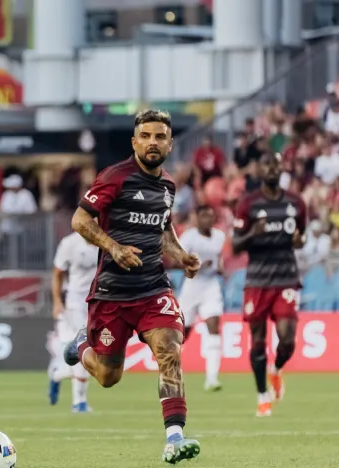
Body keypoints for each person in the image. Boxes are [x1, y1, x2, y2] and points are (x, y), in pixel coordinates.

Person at [63, 109, 202, 464]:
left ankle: (174, 438)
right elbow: (80, 219)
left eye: (160, 137)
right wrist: (113, 247)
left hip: (153, 288)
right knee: (109, 377)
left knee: (170, 350)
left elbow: (163, 230)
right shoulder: (115, 177)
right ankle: (82, 344)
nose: (152, 142)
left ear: (170, 144)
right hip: (112, 292)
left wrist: (182, 255)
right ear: (134, 142)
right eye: (146, 136)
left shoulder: (168, 186)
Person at [232, 152, 306, 417]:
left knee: (287, 341)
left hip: (286, 277)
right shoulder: (248, 204)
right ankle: (262, 395)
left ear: (282, 168)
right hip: (257, 281)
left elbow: (301, 237)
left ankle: (277, 369)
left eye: (276, 164)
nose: (272, 169)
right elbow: (236, 244)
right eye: (267, 164)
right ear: (259, 169)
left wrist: (299, 242)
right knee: (258, 342)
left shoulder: (296, 203)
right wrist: (254, 232)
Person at [47, 231, 98, 411]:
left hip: (99, 303)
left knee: (99, 354)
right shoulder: (69, 243)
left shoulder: (106, 240)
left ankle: (58, 374)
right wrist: (57, 301)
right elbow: (57, 273)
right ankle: (79, 402)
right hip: (75, 303)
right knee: (86, 346)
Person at [177, 205, 226, 392]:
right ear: (197, 217)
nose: (208, 220)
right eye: (204, 216)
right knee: (183, 333)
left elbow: (221, 260)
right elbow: (176, 261)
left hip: (211, 285)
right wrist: (195, 265)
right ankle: (170, 369)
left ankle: (212, 379)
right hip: (191, 287)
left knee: (214, 326)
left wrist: (220, 268)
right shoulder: (188, 237)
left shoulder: (220, 237)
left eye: (211, 216)